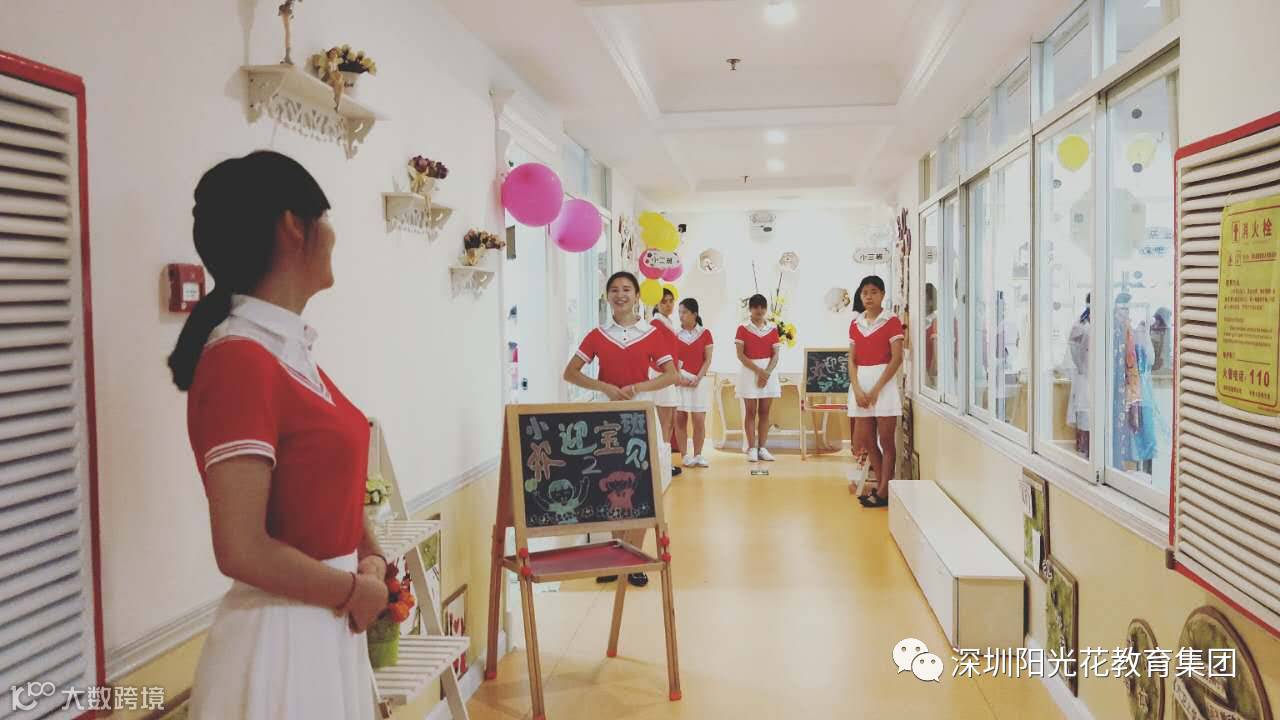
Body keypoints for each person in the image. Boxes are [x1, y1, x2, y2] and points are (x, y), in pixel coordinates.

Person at [169, 151, 386, 720]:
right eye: (326, 218)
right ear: (294, 226)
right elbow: (241, 547)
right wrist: (351, 590)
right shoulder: (238, 359)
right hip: (283, 643)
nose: (333, 235)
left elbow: (324, 480)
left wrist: (370, 554)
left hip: (325, 624)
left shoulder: (288, 351)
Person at [563, 271, 677, 588]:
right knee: (611, 488)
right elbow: (571, 372)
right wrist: (605, 387)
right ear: (607, 296)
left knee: (641, 488)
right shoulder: (598, 335)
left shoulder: (651, 334)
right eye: (614, 290)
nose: (620, 294)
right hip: (606, 420)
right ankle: (617, 556)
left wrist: (639, 386)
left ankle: (635, 559)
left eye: (627, 289)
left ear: (637, 295)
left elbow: (671, 374)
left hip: (640, 417)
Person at [847, 275, 904, 508]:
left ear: (882, 294)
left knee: (887, 441)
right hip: (861, 385)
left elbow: (897, 358)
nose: (868, 297)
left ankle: (883, 492)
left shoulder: (891, 321)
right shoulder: (855, 324)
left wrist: (876, 389)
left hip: (884, 386)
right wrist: (857, 389)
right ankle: (882, 489)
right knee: (869, 442)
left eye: (873, 292)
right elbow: (851, 360)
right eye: (864, 293)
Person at [735, 294, 782, 462]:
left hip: (769, 373)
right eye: (755, 307)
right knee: (750, 411)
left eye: (762, 307)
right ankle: (751, 448)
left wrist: (766, 373)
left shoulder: (773, 329)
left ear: (766, 309)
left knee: (764, 412)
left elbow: (776, 355)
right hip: (749, 373)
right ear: (750, 309)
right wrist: (759, 372)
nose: (759, 310)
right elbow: (740, 355)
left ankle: (762, 448)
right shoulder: (743, 328)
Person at [674, 298, 714, 468]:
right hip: (680, 380)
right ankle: (685, 456)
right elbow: (672, 360)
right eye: (679, 312)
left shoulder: (705, 333)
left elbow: (708, 359)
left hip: (699, 381)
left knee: (699, 419)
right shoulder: (675, 334)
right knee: (680, 418)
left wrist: (698, 378)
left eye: (684, 312)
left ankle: (698, 455)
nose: (681, 315)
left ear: (694, 314)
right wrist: (679, 379)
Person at [650, 288, 682, 477]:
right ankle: (662, 465)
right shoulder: (655, 324)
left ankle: (665, 463)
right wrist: (669, 373)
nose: (669, 305)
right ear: (656, 303)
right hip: (662, 377)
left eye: (671, 301)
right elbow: (653, 355)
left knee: (669, 423)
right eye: (664, 301)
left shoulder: (667, 323)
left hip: (670, 377)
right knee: (664, 422)